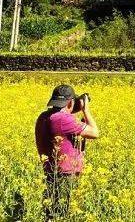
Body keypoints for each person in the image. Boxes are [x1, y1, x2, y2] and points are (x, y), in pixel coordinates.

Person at [35, 84, 100, 220]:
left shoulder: (43, 117)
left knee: (52, 212)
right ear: (70, 102)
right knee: (62, 214)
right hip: (65, 175)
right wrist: (85, 109)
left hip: (51, 172)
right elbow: (95, 132)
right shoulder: (63, 119)